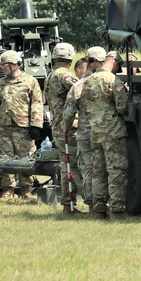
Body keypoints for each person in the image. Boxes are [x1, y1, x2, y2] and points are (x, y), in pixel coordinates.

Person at [0, 49, 44, 202]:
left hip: (24, 128)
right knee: (5, 159)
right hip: (4, 128)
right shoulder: (1, 83)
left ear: (14, 64)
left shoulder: (30, 81)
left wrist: (36, 125)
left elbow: (37, 104)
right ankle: (8, 190)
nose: (3, 68)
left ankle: (26, 189)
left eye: (4, 65)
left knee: (25, 159)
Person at [81, 48, 130, 219]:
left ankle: (99, 210)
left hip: (95, 133)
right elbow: (122, 107)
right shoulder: (113, 81)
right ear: (114, 63)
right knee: (116, 170)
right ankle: (117, 210)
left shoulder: (87, 81)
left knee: (98, 172)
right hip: (113, 133)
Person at [44, 43, 82, 213]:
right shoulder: (63, 75)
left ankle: (68, 203)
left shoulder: (51, 75)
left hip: (58, 126)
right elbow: (81, 88)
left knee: (65, 164)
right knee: (74, 165)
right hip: (68, 127)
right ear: (70, 57)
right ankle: (87, 201)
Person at [64, 55, 95, 213]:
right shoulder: (112, 81)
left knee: (88, 169)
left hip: (84, 134)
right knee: (108, 168)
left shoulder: (78, 86)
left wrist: (65, 129)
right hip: (108, 133)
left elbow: (69, 114)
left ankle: (93, 207)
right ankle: (115, 205)